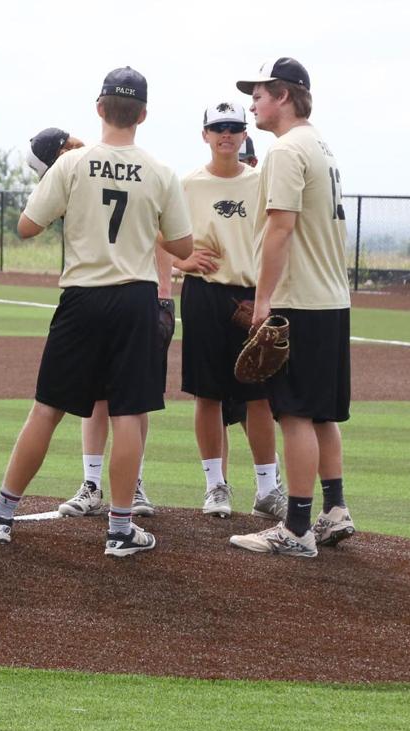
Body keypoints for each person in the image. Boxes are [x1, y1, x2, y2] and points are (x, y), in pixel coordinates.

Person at [0, 67, 193, 557]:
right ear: (144, 114)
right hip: (135, 297)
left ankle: (2, 515)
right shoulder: (161, 172)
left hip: (82, 297)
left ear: (99, 108)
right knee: (129, 414)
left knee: (47, 408)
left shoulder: (72, 165)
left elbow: (27, 227)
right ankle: (119, 529)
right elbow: (181, 244)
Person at [229, 59, 355, 558]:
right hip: (332, 298)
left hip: (299, 299)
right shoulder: (319, 144)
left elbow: (279, 228)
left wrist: (263, 302)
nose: (252, 103)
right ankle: (335, 509)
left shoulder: (284, 150)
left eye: (258, 94)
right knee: (322, 413)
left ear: (283, 95)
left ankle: (297, 528)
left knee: (295, 413)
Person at [29, 130, 171, 521]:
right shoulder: (113, 165)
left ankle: (130, 483)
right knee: (117, 398)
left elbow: (159, 235)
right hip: (130, 298)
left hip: (120, 292)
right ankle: (96, 485)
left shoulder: (81, 167)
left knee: (129, 400)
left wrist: (164, 290)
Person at [169, 101, 285, 521]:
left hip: (251, 295)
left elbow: (280, 234)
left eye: (234, 127)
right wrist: (183, 262)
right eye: (218, 128)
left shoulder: (260, 182)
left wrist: (267, 294)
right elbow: (157, 232)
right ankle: (215, 486)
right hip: (204, 294)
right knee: (207, 394)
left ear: (243, 134)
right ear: (205, 134)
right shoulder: (188, 184)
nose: (227, 135)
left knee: (259, 395)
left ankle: (268, 488)